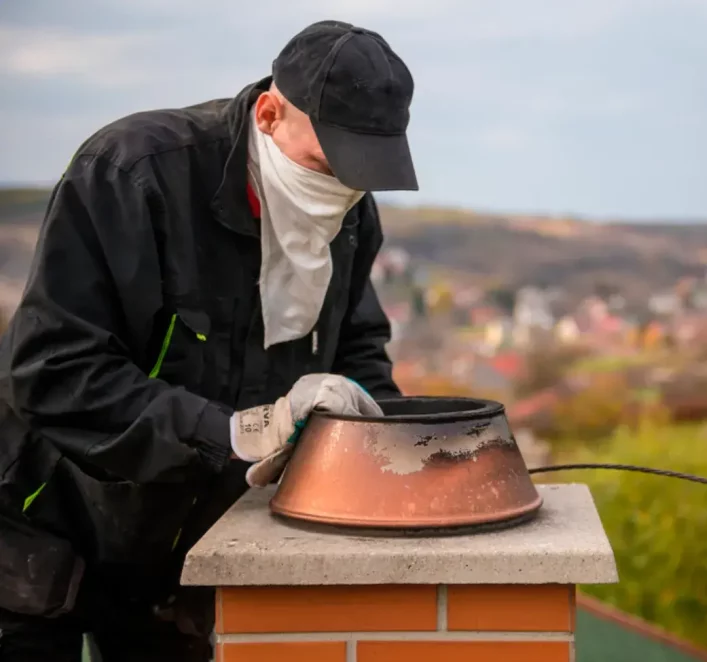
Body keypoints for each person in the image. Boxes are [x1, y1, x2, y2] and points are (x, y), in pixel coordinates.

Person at [0, 19, 415, 661]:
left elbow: (357, 347)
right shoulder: (132, 173)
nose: (337, 192)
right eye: (323, 165)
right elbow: (53, 371)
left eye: (356, 176)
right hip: (45, 527)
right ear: (271, 114)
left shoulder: (348, 211)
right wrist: (237, 433)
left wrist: (380, 445)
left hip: (185, 552)